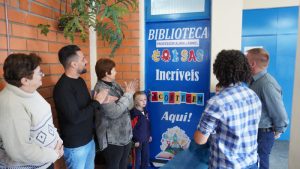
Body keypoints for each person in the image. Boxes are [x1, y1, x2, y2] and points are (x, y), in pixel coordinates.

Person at [194, 49, 262, 169]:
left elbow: (200, 140)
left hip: (226, 165)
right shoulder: (253, 95)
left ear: (219, 71)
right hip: (251, 163)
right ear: (245, 69)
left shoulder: (217, 102)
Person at [0, 53, 63, 169]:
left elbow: (46, 122)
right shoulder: (11, 105)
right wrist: (53, 154)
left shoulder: (29, 91)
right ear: (25, 80)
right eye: (39, 73)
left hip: (45, 162)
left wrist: (58, 141)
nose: (43, 75)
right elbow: (20, 150)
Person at [53, 45, 109, 169]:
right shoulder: (62, 88)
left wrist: (101, 101)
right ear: (73, 64)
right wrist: (96, 102)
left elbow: (89, 108)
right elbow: (75, 118)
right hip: (76, 146)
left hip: (89, 140)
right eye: (83, 58)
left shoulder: (80, 81)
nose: (86, 61)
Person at [246, 48, 289, 169]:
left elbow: (279, 112)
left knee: (261, 163)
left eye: (246, 60)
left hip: (263, 134)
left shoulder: (266, 84)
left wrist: (279, 129)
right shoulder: (254, 81)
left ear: (252, 64)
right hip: (255, 132)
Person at [94, 58, 137, 169]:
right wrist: (128, 95)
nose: (116, 72)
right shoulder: (100, 89)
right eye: (114, 70)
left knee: (123, 164)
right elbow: (114, 113)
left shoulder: (114, 84)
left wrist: (129, 94)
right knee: (113, 166)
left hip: (124, 136)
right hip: (112, 139)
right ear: (106, 73)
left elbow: (129, 106)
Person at [130, 91, 152, 169]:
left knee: (145, 157)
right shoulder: (133, 113)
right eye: (141, 100)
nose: (144, 102)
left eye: (145, 99)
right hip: (137, 142)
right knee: (136, 160)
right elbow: (130, 128)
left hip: (145, 139)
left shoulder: (145, 111)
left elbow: (148, 125)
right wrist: (134, 140)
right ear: (135, 102)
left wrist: (149, 135)